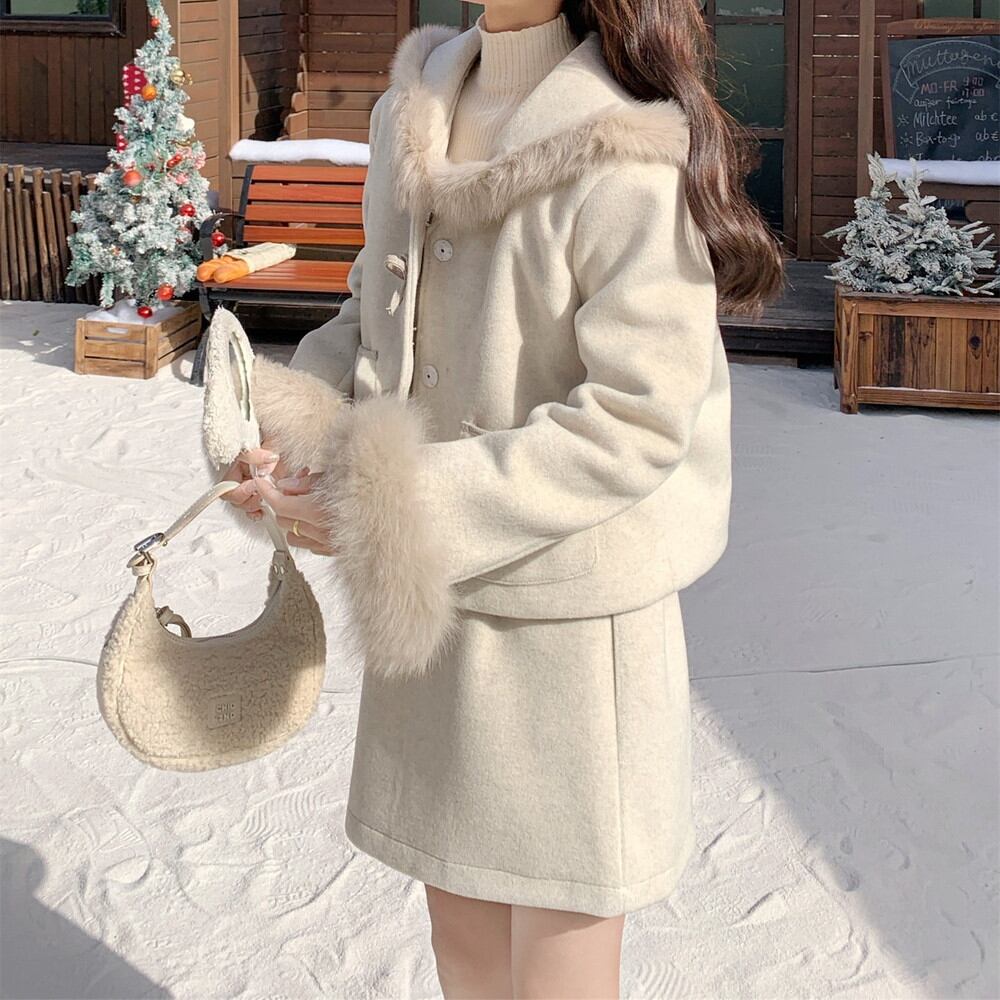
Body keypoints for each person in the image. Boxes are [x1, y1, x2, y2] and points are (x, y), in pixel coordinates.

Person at [205, 1, 784, 996]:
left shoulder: (626, 145)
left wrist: (391, 506)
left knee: (555, 971)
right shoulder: (416, 106)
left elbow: (637, 419)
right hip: (435, 616)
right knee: (464, 954)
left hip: (566, 628)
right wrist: (295, 433)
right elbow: (372, 312)